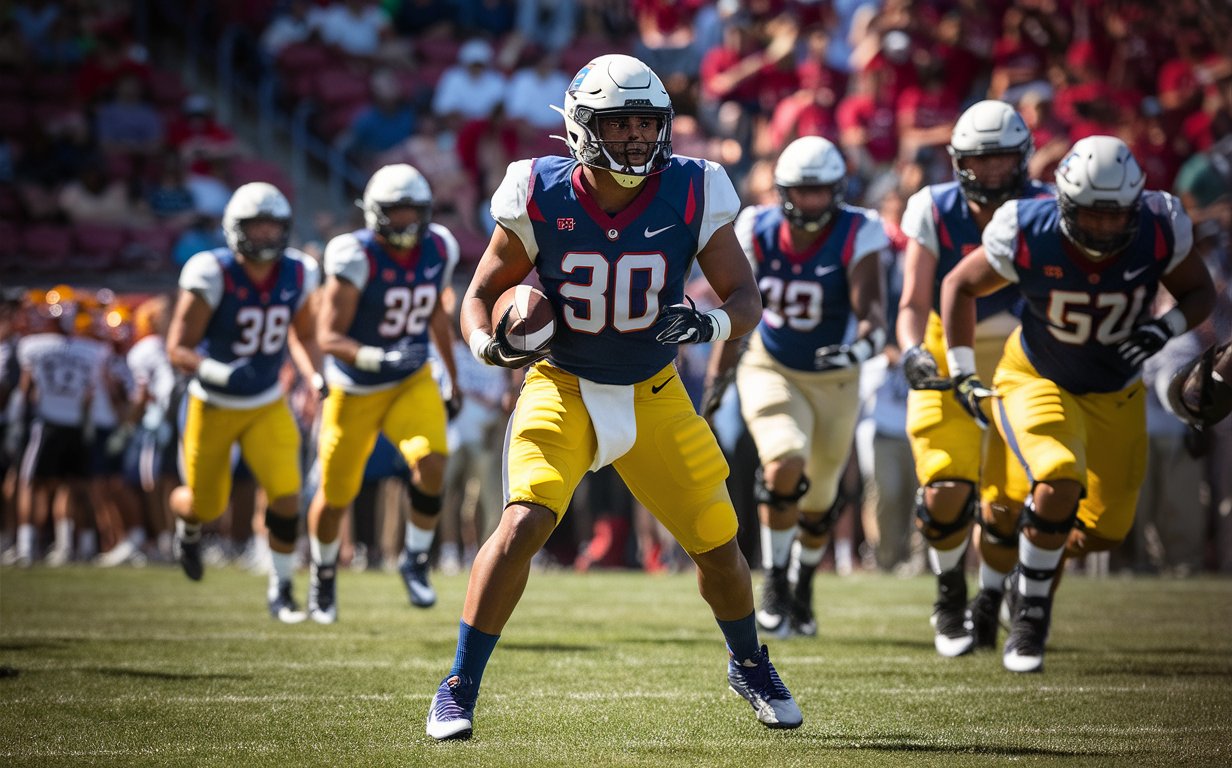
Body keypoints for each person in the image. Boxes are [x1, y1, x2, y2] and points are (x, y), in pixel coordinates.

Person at [425, 54, 801, 741]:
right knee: (522, 525)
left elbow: (744, 297)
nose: (634, 137)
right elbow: (478, 296)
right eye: (618, 123)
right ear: (579, 127)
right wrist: (487, 346)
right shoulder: (538, 190)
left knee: (719, 545)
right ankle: (458, 684)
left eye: (645, 123)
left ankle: (748, 661)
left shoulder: (694, 187)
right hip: (562, 384)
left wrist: (709, 322)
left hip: (656, 392)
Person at [940, 135, 1215, 672]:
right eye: (1093, 214)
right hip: (1037, 376)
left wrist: (1166, 328)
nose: (1105, 227)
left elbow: (1198, 293)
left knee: (1106, 529)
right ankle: (1030, 623)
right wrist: (962, 373)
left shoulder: (1160, 226)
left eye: (1116, 216)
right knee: (1058, 474)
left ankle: (1028, 567)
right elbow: (958, 286)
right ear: (1065, 204)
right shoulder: (1029, 229)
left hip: (1116, 393)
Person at [699, 135, 888, 638]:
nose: (810, 203)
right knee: (784, 463)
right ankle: (776, 582)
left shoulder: (860, 229)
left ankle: (803, 585)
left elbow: (872, 313)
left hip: (836, 375)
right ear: (782, 191)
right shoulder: (757, 227)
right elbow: (737, 309)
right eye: (801, 192)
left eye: (820, 192)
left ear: (838, 190)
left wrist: (860, 349)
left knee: (821, 497)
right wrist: (719, 379)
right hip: (771, 365)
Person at [896, 100, 1053, 657]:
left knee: (1007, 502)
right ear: (959, 161)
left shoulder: (1048, 209)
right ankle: (948, 594)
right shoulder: (934, 207)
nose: (990, 172)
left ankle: (990, 598)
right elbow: (913, 298)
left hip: (1025, 353)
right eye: (980, 161)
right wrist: (913, 348)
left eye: (1001, 159)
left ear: (1023, 159)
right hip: (948, 344)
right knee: (944, 487)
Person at [307, 163, 461, 624]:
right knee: (335, 497)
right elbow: (328, 335)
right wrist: (376, 357)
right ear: (374, 214)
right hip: (354, 388)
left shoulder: (439, 246)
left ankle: (414, 560)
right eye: (396, 213)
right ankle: (323, 571)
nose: (406, 222)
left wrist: (450, 375)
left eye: (414, 211)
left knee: (432, 463)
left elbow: (435, 315)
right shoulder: (354, 255)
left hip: (411, 380)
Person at [165, 182, 323, 623]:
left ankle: (282, 588)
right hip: (213, 402)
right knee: (206, 504)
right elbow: (177, 347)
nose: (265, 236)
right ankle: (188, 526)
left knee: (287, 496)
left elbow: (306, 333)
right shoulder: (211, 271)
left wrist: (313, 375)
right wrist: (220, 370)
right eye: (256, 227)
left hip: (267, 401)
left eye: (273, 227)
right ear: (234, 229)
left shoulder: (298, 272)